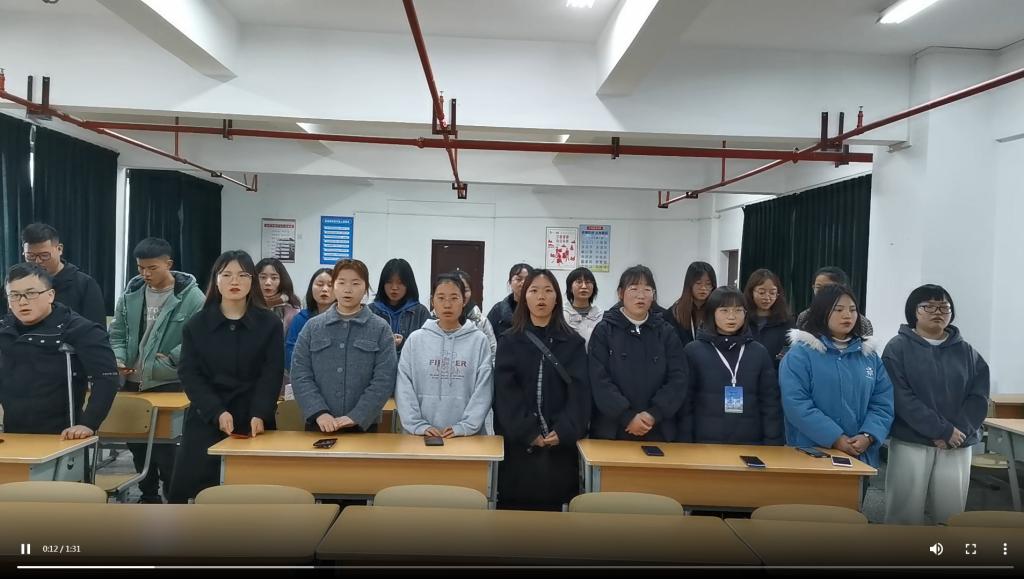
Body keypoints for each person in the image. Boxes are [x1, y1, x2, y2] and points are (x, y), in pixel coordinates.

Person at [169, 251, 283, 503]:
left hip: (254, 418)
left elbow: (272, 373)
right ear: (216, 280)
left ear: (252, 281)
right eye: (227, 274)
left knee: (255, 496)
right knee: (192, 493)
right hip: (207, 416)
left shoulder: (270, 324)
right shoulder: (196, 325)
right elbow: (190, 374)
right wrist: (216, 411)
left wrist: (260, 412)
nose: (235, 281)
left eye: (243, 275)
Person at [108, 237, 205, 503]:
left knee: (167, 449)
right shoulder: (131, 294)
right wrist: (118, 358)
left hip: (168, 380)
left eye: (152, 268)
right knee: (136, 444)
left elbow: (198, 338)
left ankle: (174, 498)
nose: (145, 274)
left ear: (168, 264)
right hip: (132, 380)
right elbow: (117, 333)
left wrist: (171, 359)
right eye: (141, 268)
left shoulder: (192, 297)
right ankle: (148, 494)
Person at [883, 285, 990, 525]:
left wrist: (956, 431)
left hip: (957, 443)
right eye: (928, 307)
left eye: (944, 307)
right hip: (912, 440)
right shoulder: (897, 348)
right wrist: (942, 430)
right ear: (914, 311)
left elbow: (979, 397)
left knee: (951, 514)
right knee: (903, 511)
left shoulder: (967, 352)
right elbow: (901, 397)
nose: (937, 312)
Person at [494, 269, 589, 511]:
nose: (541, 297)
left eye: (548, 291)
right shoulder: (509, 341)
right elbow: (505, 394)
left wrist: (565, 429)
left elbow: (580, 394)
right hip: (519, 447)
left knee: (558, 519)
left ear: (557, 298)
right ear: (524, 297)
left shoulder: (573, 343)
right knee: (515, 517)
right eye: (534, 291)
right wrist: (527, 431)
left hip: (560, 447)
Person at [780, 284, 893, 469]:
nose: (847, 315)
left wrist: (868, 435)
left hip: (860, 454)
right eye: (838, 310)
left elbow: (882, 402)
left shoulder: (868, 356)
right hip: (812, 453)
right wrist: (835, 437)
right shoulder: (801, 354)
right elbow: (796, 403)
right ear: (821, 312)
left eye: (852, 310)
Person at [0, 263, 117, 438]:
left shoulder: (81, 330)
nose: (22, 302)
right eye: (14, 295)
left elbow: (106, 378)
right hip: (13, 435)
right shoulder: (5, 330)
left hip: (64, 435)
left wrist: (88, 423)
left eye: (31, 294)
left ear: (50, 295)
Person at [291, 259, 397, 433]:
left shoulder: (380, 328)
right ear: (334, 286)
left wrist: (357, 415)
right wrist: (319, 412)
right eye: (341, 282)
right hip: (318, 424)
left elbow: (384, 378)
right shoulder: (313, 327)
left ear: (365, 288)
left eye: (355, 283)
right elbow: (300, 373)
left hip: (364, 426)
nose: (348, 289)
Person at [589, 265, 687, 442]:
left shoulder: (666, 331)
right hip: (612, 429)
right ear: (620, 293)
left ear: (653, 295)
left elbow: (678, 377)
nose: (641, 296)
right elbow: (599, 379)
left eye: (647, 290)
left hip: (658, 428)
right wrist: (626, 416)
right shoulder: (604, 331)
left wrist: (654, 414)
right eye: (633, 289)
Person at [680, 287, 783, 445]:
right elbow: (685, 403)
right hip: (704, 443)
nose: (731, 316)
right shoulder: (693, 351)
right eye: (724, 310)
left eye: (738, 310)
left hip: (750, 443)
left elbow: (770, 403)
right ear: (712, 313)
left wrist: (773, 442)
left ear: (746, 314)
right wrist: (684, 442)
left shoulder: (758, 352)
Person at [395, 274, 493, 437]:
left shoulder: (479, 341)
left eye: (454, 298)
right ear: (432, 301)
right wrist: (417, 425)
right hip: (421, 436)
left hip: (468, 437)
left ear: (464, 301)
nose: (447, 304)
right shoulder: (416, 340)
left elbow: (484, 390)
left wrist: (465, 427)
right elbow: (404, 386)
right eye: (441, 298)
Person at [21, 222, 105, 326]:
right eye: (30, 256)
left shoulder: (85, 285)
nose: (37, 261)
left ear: (59, 249)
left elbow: (96, 331)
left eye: (44, 255)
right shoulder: (17, 284)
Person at [368, 258, 431, 357]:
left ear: (409, 285)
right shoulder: (370, 311)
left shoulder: (420, 312)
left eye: (400, 283)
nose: (394, 287)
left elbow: (429, 346)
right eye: (389, 282)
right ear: (383, 284)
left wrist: (403, 343)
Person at [796, 267, 874, 335]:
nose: (823, 292)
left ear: (843, 288)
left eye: (829, 287)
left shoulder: (862, 323)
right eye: (818, 287)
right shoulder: (804, 317)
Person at [285, 268, 335, 371]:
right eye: (320, 284)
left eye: (330, 285)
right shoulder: (301, 319)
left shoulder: (345, 320)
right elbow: (291, 352)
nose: (325, 289)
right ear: (311, 288)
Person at [744, 268, 795, 367]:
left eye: (772, 293)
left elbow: (790, 350)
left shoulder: (786, 321)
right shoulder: (742, 319)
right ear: (751, 292)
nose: (767, 298)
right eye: (761, 292)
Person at [664, 262, 717, 348]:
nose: (703, 288)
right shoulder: (675, 313)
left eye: (708, 284)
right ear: (689, 284)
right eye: (698, 283)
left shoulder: (717, 310)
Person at [453, 269, 497, 361]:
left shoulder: (481, 321)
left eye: (465, 290)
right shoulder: (435, 319)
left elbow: (492, 353)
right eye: (457, 290)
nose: (462, 294)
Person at [487, 263, 534, 337]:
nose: (523, 283)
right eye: (518, 279)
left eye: (528, 280)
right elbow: (488, 337)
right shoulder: (498, 309)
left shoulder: (541, 308)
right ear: (510, 282)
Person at [256, 258, 301, 332]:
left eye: (274, 278)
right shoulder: (247, 303)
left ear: (282, 280)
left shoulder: (292, 308)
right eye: (263, 277)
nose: (268, 283)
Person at [563, 267, 603, 348]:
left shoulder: (601, 316)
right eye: (579, 282)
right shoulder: (561, 315)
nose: (584, 286)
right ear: (570, 288)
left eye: (588, 282)